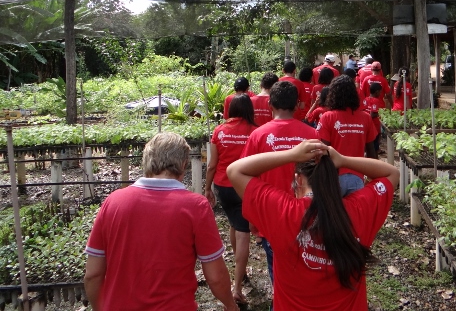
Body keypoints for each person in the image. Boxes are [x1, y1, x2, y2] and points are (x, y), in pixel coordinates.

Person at [227, 140, 399, 311]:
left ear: (298, 179)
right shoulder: (358, 210)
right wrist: (344, 159)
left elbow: (235, 170)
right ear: (334, 178)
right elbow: (392, 173)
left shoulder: (283, 212)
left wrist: (291, 154)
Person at [84, 132, 238, 311]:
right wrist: (230, 304)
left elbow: (93, 274)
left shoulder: (113, 202)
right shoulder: (196, 207)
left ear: (146, 161)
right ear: (183, 165)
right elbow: (215, 276)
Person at [240, 80, 318, 284]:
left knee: (278, 273)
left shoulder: (258, 135)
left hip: (271, 215)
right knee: (305, 271)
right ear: (297, 104)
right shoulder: (312, 136)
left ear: (269, 105)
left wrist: (252, 216)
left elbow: (247, 176)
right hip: (307, 216)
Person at [205, 95, 258, 304]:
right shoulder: (255, 131)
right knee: (243, 232)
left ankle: (240, 269)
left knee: (235, 223)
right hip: (244, 187)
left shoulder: (219, 130)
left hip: (222, 186)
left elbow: (211, 164)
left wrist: (207, 187)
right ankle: (236, 288)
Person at [316, 75, 378, 196]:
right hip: (357, 178)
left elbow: (322, 151)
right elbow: (372, 151)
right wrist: (373, 176)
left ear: (332, 94)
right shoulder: (365, 118)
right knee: (354, 214)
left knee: (334, 214)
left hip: (333, 178)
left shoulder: (327, 117)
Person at [362, 82, 385, 155]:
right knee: (374, 146)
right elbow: (372, 114)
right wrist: (381, 113)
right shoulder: (376, 101)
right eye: (380, 92)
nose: (380, 94)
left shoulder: (365, 99)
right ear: (377, 92)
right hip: (374, 126)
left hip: (365, 126)